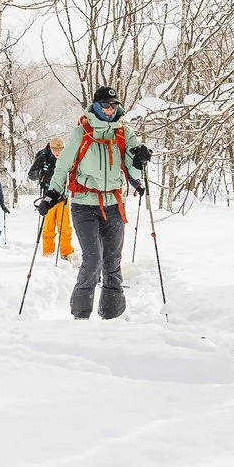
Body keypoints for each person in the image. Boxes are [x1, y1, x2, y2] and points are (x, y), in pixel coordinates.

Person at [62, 86, 148, 319]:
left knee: (113, 260)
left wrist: (139, 163)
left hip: (114, 203)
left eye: (114, 106)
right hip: (83, 204)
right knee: (93, 258)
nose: (110, 110)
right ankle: (80, 314)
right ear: (95, 106)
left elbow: (131, 166)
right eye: (105, 106)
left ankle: (112, 315)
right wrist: (52, 192)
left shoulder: (124, 133)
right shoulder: (82, 132)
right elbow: (63, 164)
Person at [27, 137, 74, 260]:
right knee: (48, 228)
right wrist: (42, 173)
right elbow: (31, 174)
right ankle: (48, 254)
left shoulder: (67, 158)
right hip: (47, 198)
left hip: (63, 197)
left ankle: (66, 253)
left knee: (65, 227)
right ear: (50, 148)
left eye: (61, 149)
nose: (58, 152)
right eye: (55, 149)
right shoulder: (43, 157)